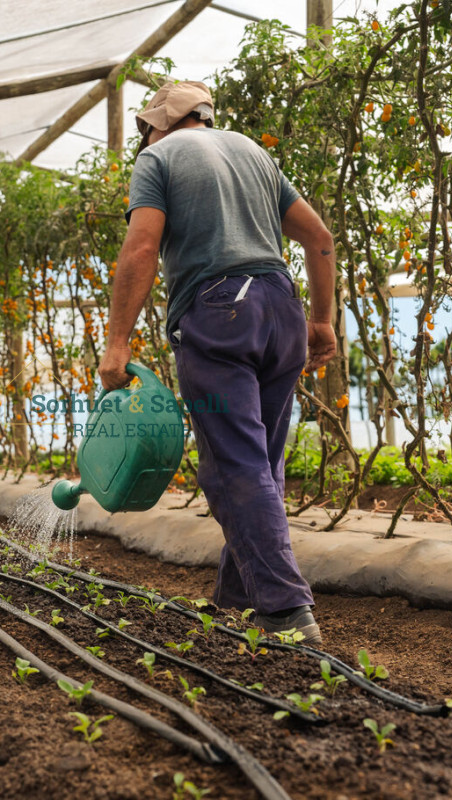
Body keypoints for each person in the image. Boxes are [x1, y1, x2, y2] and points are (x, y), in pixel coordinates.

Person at [98, 80, 338, 646]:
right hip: (281, 307)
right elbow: (320, 237)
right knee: (260, 463)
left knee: (232, 467)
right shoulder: (255, 153)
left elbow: (141, 248)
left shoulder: (157, 158)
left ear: (158, 124)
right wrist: (322, 321)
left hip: (219, 312)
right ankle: (235, 598)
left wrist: (117, 341)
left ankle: (285, 610)